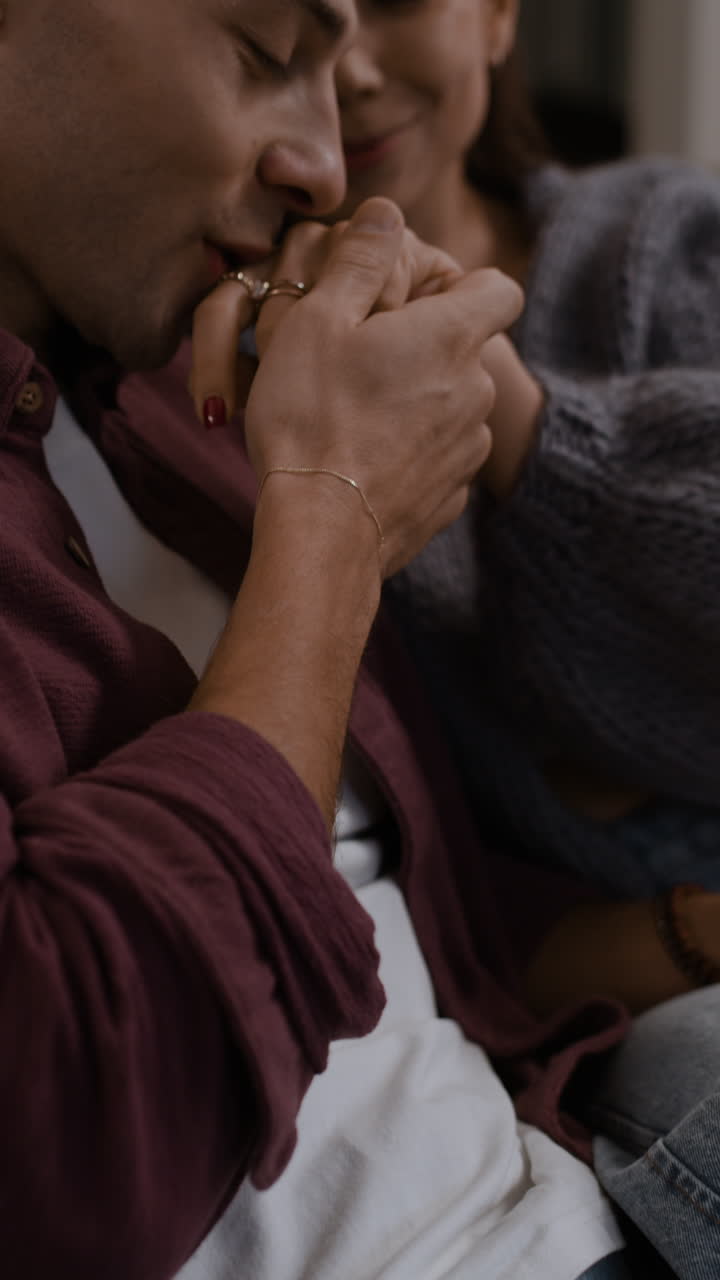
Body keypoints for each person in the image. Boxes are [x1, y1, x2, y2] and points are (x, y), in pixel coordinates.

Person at [251, 0, 720, 1274]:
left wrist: (520, 428)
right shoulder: (254, 405)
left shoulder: (661, 244)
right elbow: (455, 911)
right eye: (299, 21)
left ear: (501, 17)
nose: (351, 68)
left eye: (399, 2)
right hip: (637, 1003)